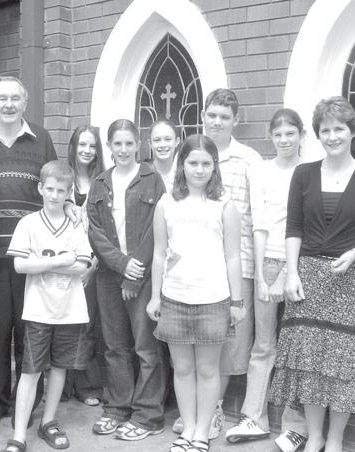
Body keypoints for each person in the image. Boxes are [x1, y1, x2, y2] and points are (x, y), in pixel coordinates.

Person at [0, 75, 57, 429]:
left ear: (25, 102)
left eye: (15, 98)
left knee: (29, 331)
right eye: (2, 98)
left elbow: (53, 185)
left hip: (31, 255)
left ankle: (26, 402)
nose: (8, 104)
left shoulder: (41, 138)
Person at [174, 88, 263, 439]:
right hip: (193, 270)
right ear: (203, 115)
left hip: (237, 263)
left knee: (228, 344)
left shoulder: (249, 159)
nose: (217, 121)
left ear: (235, 120)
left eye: (225, 116)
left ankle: (213, 410)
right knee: (194, 343)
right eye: (212, 114)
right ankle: (196, 412)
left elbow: (257, 215)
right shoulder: (192, 154)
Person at [147, 134, 244, 452]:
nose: (199, 169)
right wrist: (155, 296)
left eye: (206, 163)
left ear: (215, 166)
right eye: (193, 163)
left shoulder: (225, 205)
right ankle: (187, 428)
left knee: (207, 368)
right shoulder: (166, 203)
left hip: (213, 299)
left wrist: (237, 301)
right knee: (183, 368)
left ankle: (203, 430)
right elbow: (159, 253)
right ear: (182, 164)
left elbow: (233, 256)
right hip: (174, 297)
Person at [270, 96, 355, 452]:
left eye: (339, 129)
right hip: (307, 279)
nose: (332, 136)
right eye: (325, 130)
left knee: (341, 366)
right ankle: (315, 436)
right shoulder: (304, 174)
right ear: (317, 135)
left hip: (348, 282)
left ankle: (335, 439)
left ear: (351, 132)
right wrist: (291, 274)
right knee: (309, 365)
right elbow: (294, 228)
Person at [225, 109, 308, 452]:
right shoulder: (260, 170)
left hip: (302, 263)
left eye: (291, 133)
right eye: (278, 134)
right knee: (263, 345)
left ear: (302, 135)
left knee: (297, 349)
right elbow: (258, 224)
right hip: (268, 263)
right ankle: (254, 418)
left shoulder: (310, 171)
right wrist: (260, 273)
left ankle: (295, 426)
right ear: (270, 137)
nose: (284, 140)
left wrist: (292, 269)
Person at [1, 160, 92, 452]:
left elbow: (82, 266)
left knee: (60, 368)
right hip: (38, 309)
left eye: (61, 191)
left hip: (70, 310)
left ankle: (48, 421)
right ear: (40, 188)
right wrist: (60, 260)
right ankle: (19, 434)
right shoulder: (28, 223)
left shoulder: (75, 224)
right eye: (50, 189)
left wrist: (41, 263)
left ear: (68, 193)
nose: (54, 195)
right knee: (30, 371)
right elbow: (20, 265)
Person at [87, 119, 168, 441]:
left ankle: (148, 415)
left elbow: (156, 230)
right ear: (109, 146)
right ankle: (117, 408)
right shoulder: (100, 183)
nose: (123, 150)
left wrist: (135, 273)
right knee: (114, 346)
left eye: (128, 143)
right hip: (109, 276)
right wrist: (122, 265)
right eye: (117, 144)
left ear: (138, 145)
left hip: (144, 276)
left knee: (146, 347)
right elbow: (95, 232)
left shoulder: (152, 179)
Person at [62, 125, 105, 406]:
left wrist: (93, 265)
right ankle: (63, 386)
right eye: (82, 144)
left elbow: (108, 230)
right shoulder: (62, 178)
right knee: (63, 324)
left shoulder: (104, 181)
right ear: (73, 147)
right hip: (63, 262)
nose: (87, 150)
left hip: (94, 263)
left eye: (91, 145)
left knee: (87, 325)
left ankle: (87, 385)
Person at [149, 119, 180, 192]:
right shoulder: (141, 175)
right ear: (150, 143)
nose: (162, 145)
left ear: (177, 141)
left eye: (168, 139)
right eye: (157, 140)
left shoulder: (185, 176)